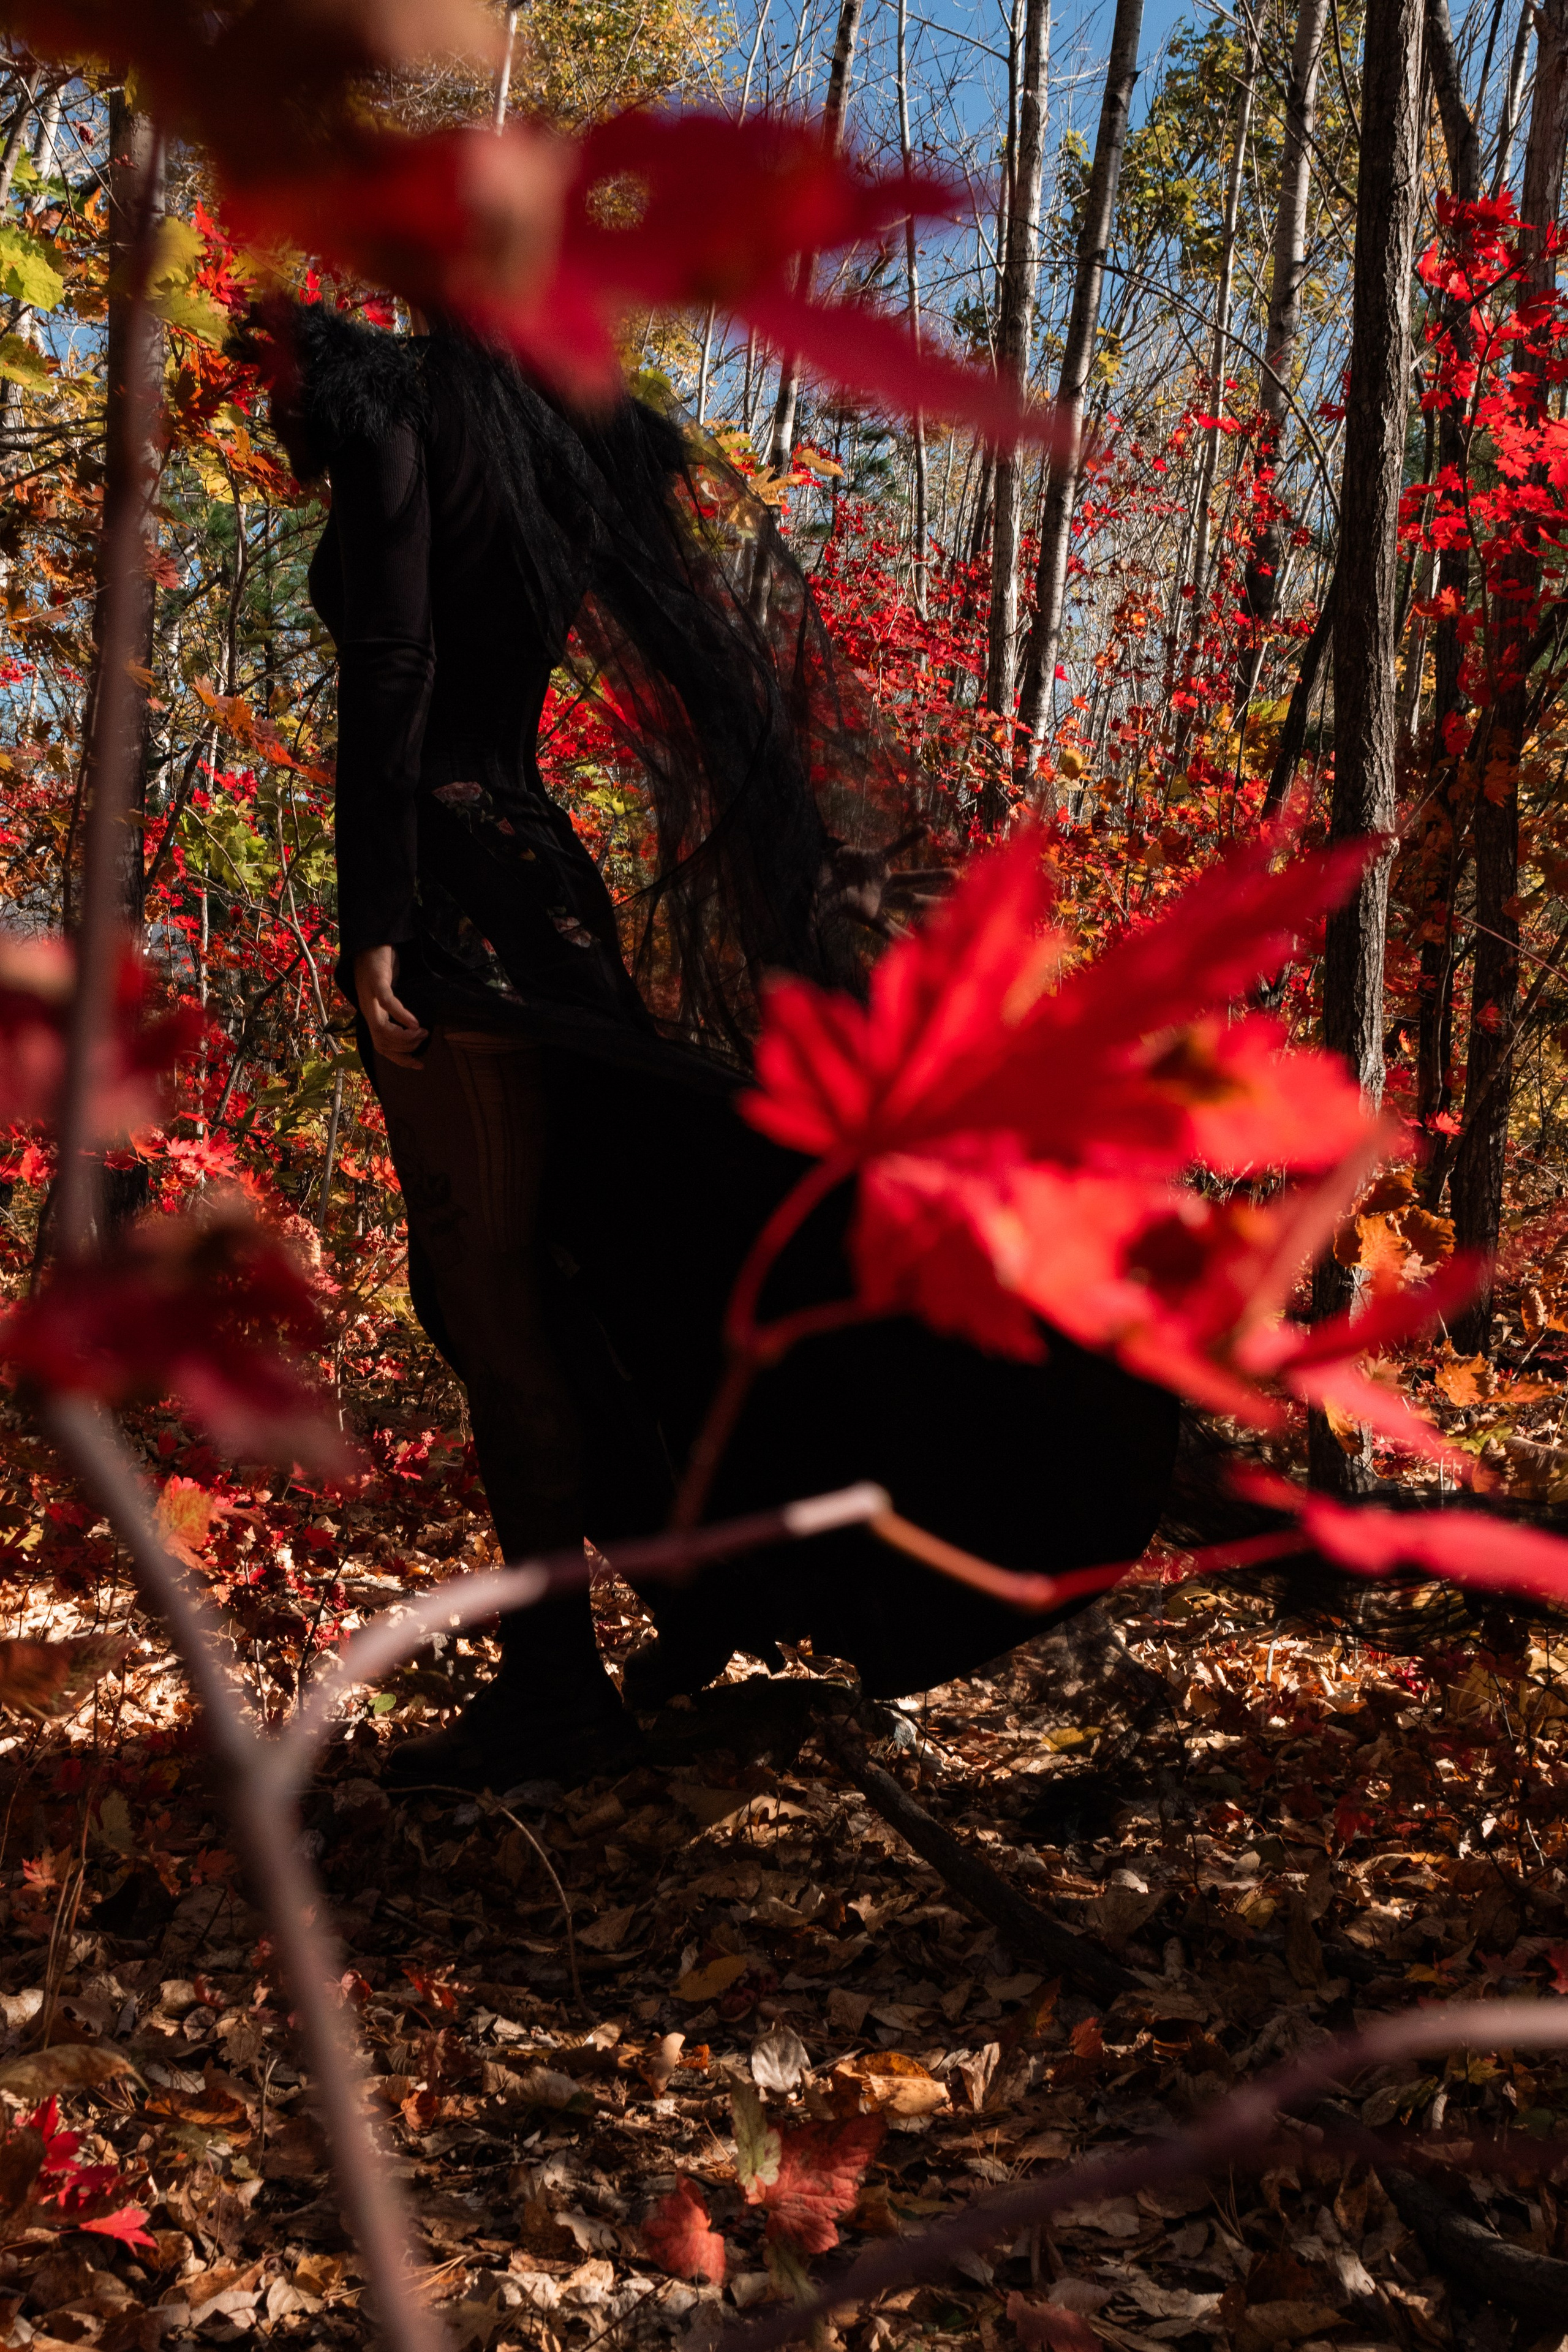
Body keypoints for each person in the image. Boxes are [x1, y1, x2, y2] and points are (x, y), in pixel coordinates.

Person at [270, 305, 1180, 1795]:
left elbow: (393, 664)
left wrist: (378, 913)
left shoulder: (393, 407)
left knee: (486, 1289)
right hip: (540, 881)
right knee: (588, 1258)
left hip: (441, 885)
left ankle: (557, 1686)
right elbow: (707, 675)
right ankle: (681, 1603)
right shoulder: (570, 434)